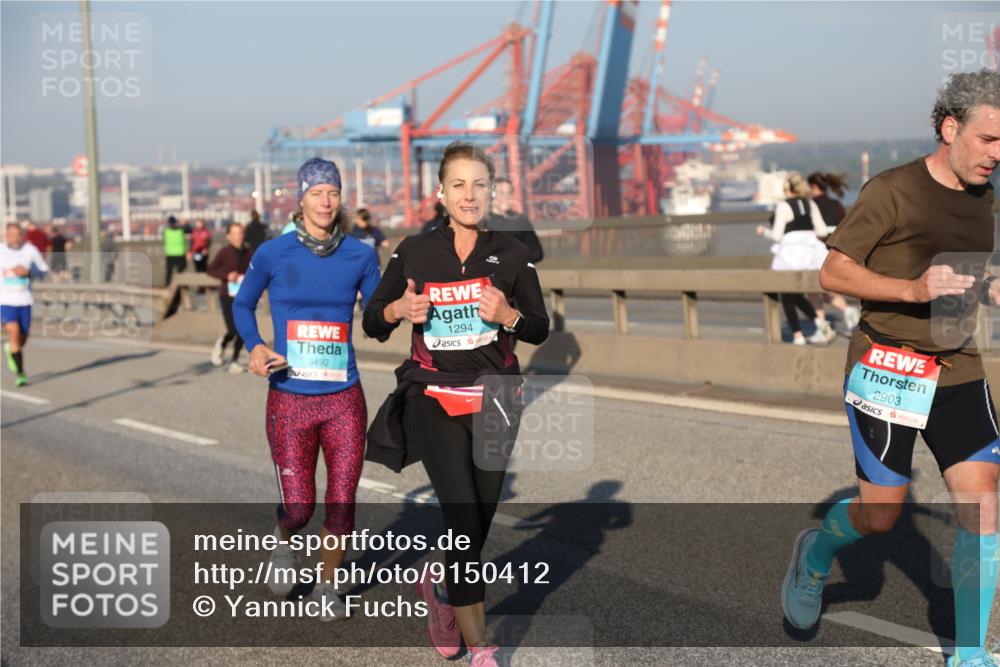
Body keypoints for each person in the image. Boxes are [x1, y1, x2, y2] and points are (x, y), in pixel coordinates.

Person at [781, 69, 1000, 667]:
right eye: (989, 140)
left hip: (957, 369)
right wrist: (910, 289)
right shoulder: (892, 191)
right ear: (950, 128)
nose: (997, 155)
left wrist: (991, 286)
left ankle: (969, 654)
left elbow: (970, 273)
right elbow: (834, 273)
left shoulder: (987, 199)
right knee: (881, 515)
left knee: (984, 504)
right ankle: (815, 554)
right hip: (889, 368)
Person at [363, 142, 550, 666]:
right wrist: (399, 307)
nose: (470, 195)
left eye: (480, 185)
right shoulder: (414, 252)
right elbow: (373, 321)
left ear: (492, 191)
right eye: (459, 185)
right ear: (441, 193)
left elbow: (539, 326)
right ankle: (481, 649)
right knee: (465, 522)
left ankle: (442, 590)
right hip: (435, 395)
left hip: (497, 400)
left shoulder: (513, 254)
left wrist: (509, 315)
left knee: (478, 523)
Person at [233, 157, 381, 621]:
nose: (326, 201)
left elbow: (377, 320)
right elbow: (242, 303)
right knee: (299, 507)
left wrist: (401, 307)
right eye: (317, 193)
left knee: (341, 499)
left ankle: (330, 585)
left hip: (344, 397)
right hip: (290, 397)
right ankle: (284, 541)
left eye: (333, 193)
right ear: (300, 199)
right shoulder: (274, 253)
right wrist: (255, 346)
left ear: (341, 200)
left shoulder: (361, 254)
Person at [755, 171, 837, 345]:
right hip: (810, 253)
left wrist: (764, 232)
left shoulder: (783, 206)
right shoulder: (810, 204)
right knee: (796, 294)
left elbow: (777, 235)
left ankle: (798, 335)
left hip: (790, 253)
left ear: (786, 188)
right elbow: (821, 231)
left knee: (787, 293)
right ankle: (819, 322)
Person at [808, 171, 861, 332]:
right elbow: (845, 226)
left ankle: (822, 325)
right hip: (833, 251)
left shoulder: (811, 205)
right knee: (824, 290)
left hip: (815, 251)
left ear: (813, 186)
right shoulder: (836, 204)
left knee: (812, 290)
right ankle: (848, 312)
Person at [1, 223, 49, 387]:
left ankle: (11, 349)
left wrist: (28, 272)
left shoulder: (30, 250)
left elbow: (43, 271)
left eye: (17, 234)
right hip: (6, 301)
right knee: (13, 331)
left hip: (25, 300)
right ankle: (21, 374)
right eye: (11, 234)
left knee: (23, 337)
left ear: (22, 235)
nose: (14, 237)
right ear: (6, 235)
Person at [207, 222, 252, 373]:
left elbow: (255, 269)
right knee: (232, 330)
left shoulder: (248, 251)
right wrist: (227, 275)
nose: (238, 236)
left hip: (244, 296)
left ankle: (235, 360)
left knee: (243, 330)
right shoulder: (224, 252)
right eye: (235, 233)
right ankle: (221, 343)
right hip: (227, 295)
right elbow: (211, 270)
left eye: (240, 233)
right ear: (228, 236)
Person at [486, 177, 544, 264]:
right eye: (502, 193)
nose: (506, 197)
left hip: (516, 275)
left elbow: (537, 253)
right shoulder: (480, 221)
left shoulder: (520, 220)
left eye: (509, 193)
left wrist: (517, 262)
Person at [162, 215, 189, 286]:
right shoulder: (181, 230)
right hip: (179, 254)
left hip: (170, 254)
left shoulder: (166, 231)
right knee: (180, 272)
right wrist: (184, 223)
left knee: (169, 272)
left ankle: (167, 286)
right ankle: (180, 286)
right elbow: (190, 229)